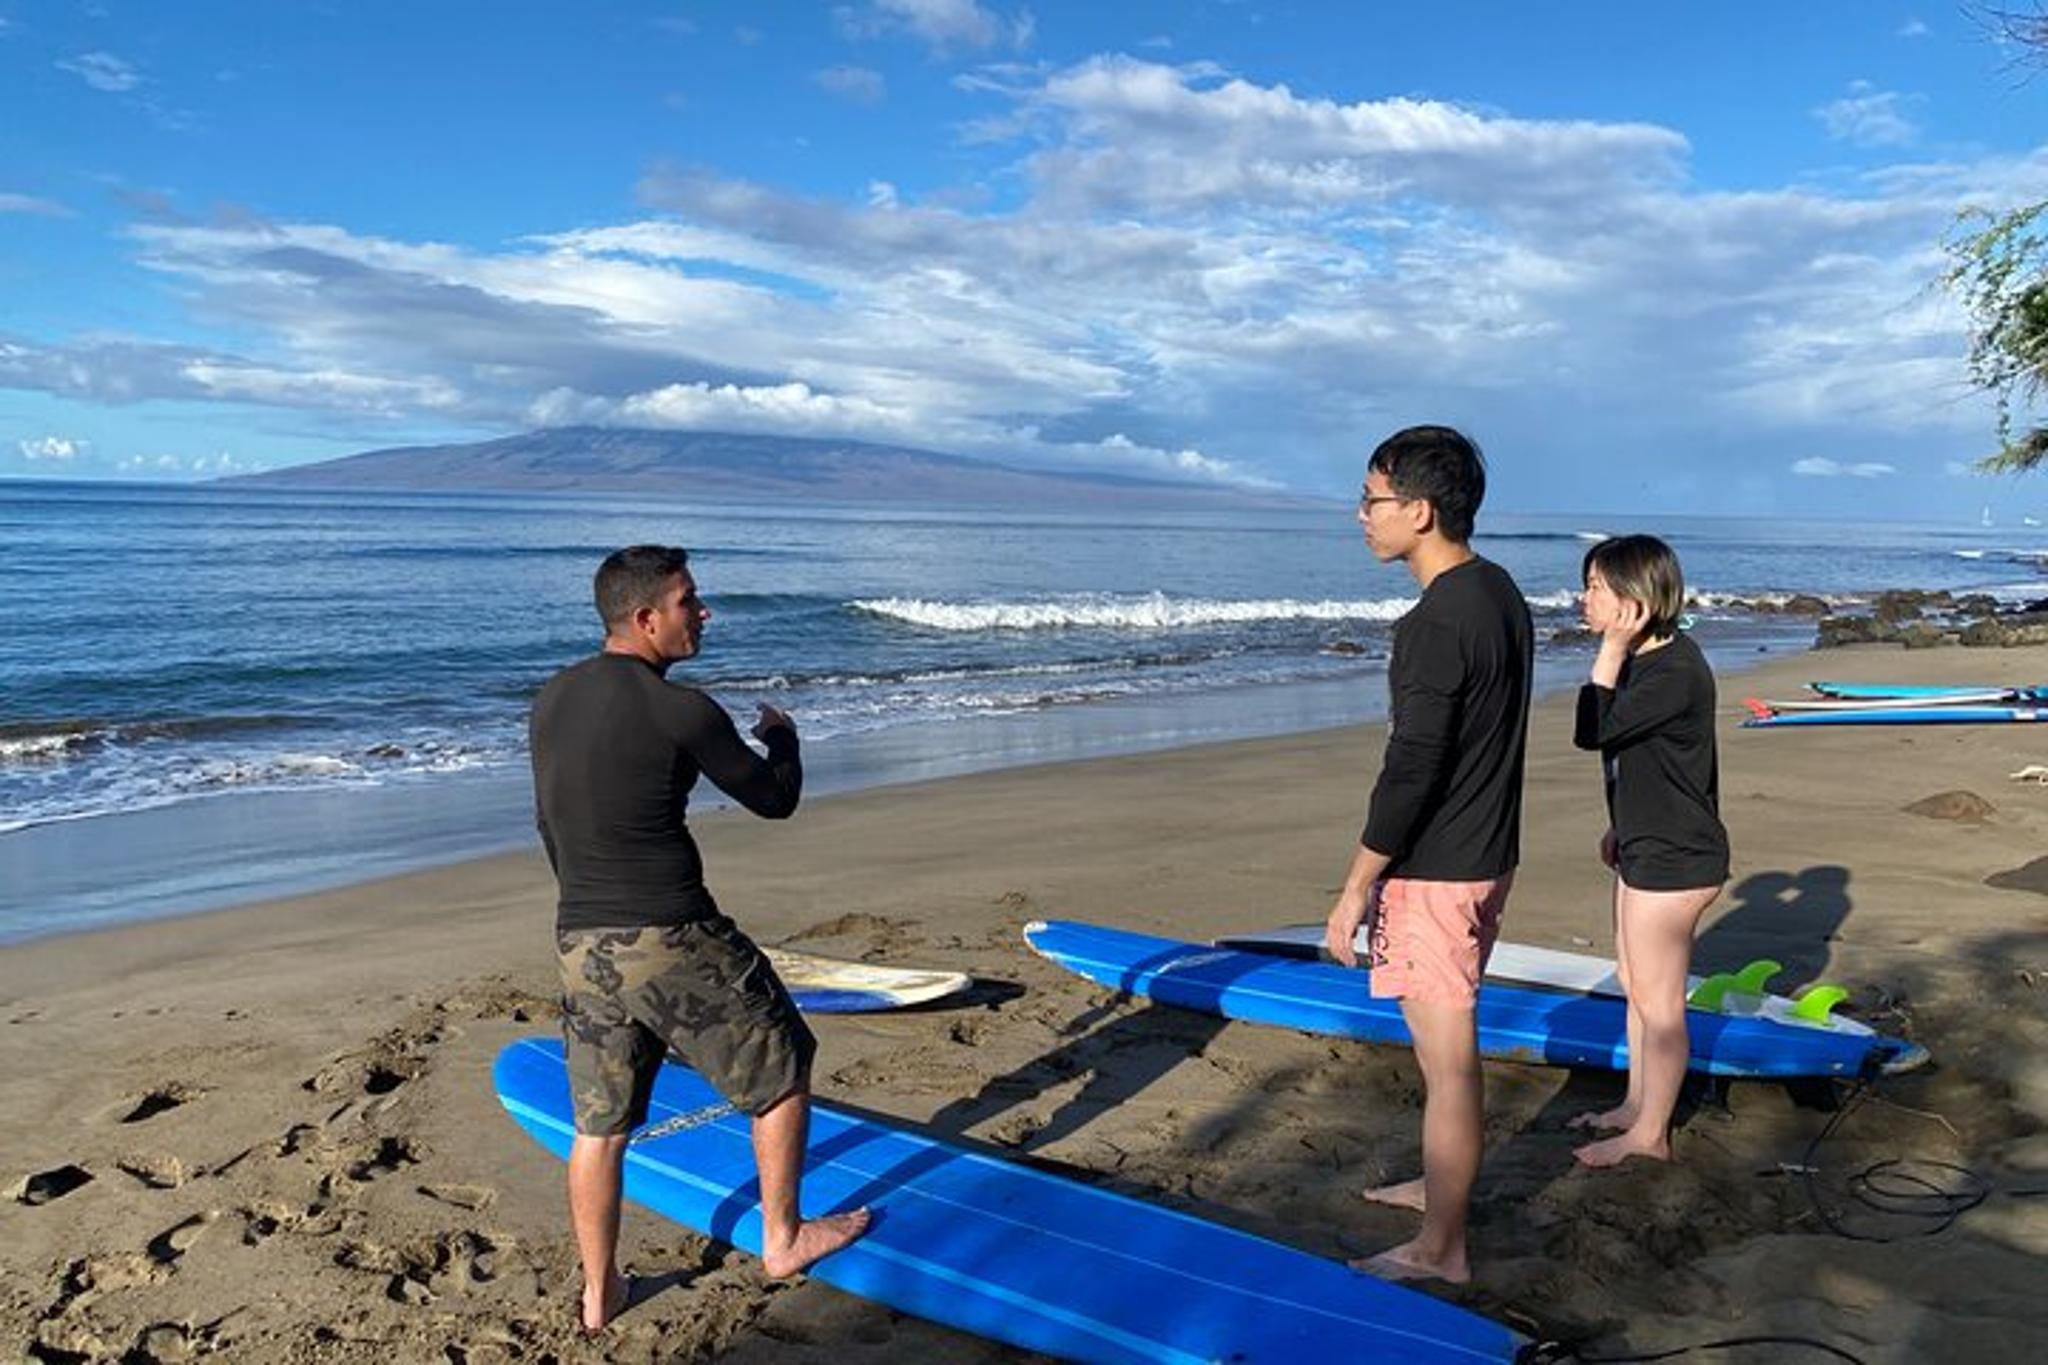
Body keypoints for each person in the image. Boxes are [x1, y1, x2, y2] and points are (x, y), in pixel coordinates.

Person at [529, 545, 868, 1334]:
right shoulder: (682, 709)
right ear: (646, 618)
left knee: (601, 1123)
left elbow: (550, 820)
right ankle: (783, 1238)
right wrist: (783, 737)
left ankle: (598, 1289)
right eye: (690, 601)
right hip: (672, 930)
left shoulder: (551, 697)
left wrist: (591, 903)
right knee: (783, 1064)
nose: (704, 612)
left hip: (580, 936)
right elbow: (773, 799)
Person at [1324, 425, 1532, 1284]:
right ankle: (1435, 1190)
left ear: (1418, 509)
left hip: (1439, 871)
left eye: (1372, 500)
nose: (1362, 516)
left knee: (1448, 1067)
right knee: (1438, 1052)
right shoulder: (1499, 593)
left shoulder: (1432, 625)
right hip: (1487, 856)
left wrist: (1354, 889)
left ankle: (1442, 1248)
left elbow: (1409, 773)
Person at [1568, 534, 1729, 1168]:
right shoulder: (1651, 660)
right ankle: (1637, 1105)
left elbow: (1593, 730)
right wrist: (1621, 824)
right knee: (1636, 984)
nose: (1584, 600)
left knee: (1660, 1004)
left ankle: (1651, 1134)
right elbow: (1646, 762)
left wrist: (1607, 654)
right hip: (1645, 843)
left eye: (1596, 589)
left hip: (1676, 858)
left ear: (1635, 599)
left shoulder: (1675, 671)